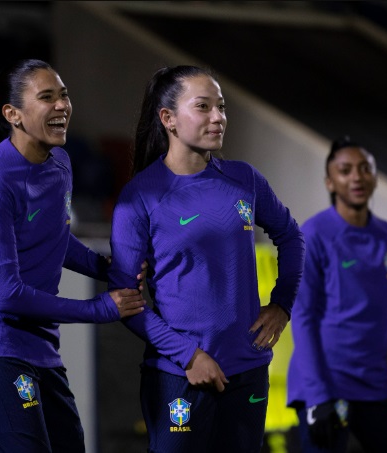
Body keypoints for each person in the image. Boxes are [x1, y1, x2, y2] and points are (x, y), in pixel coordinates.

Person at [107, 65, 305, 452]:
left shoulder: (244, 179)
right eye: (203, 107)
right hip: (179, 375)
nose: (218, 117)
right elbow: (125, 300)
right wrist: (189, 356)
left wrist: (282, 304)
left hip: (247, 370)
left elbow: (291, 236)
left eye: (222, 107)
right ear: (168, 119)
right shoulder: (139, 197)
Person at [0, 59, 146, 453]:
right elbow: (6, 294)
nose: (61, 106)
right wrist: (100, 309)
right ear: (13, 114)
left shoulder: (61, 162)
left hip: (39, 349)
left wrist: (103, 268)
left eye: (64, 95)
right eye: (46, 97)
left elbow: (54, 237)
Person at [286, 136, 387, 453]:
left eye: (365, 169)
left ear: (375, 177)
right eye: (346, 169)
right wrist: (317, 395)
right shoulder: (313, 235)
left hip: (375, 385)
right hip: (325, 386)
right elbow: (303, 317)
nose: (357, 177)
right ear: (330, 181)